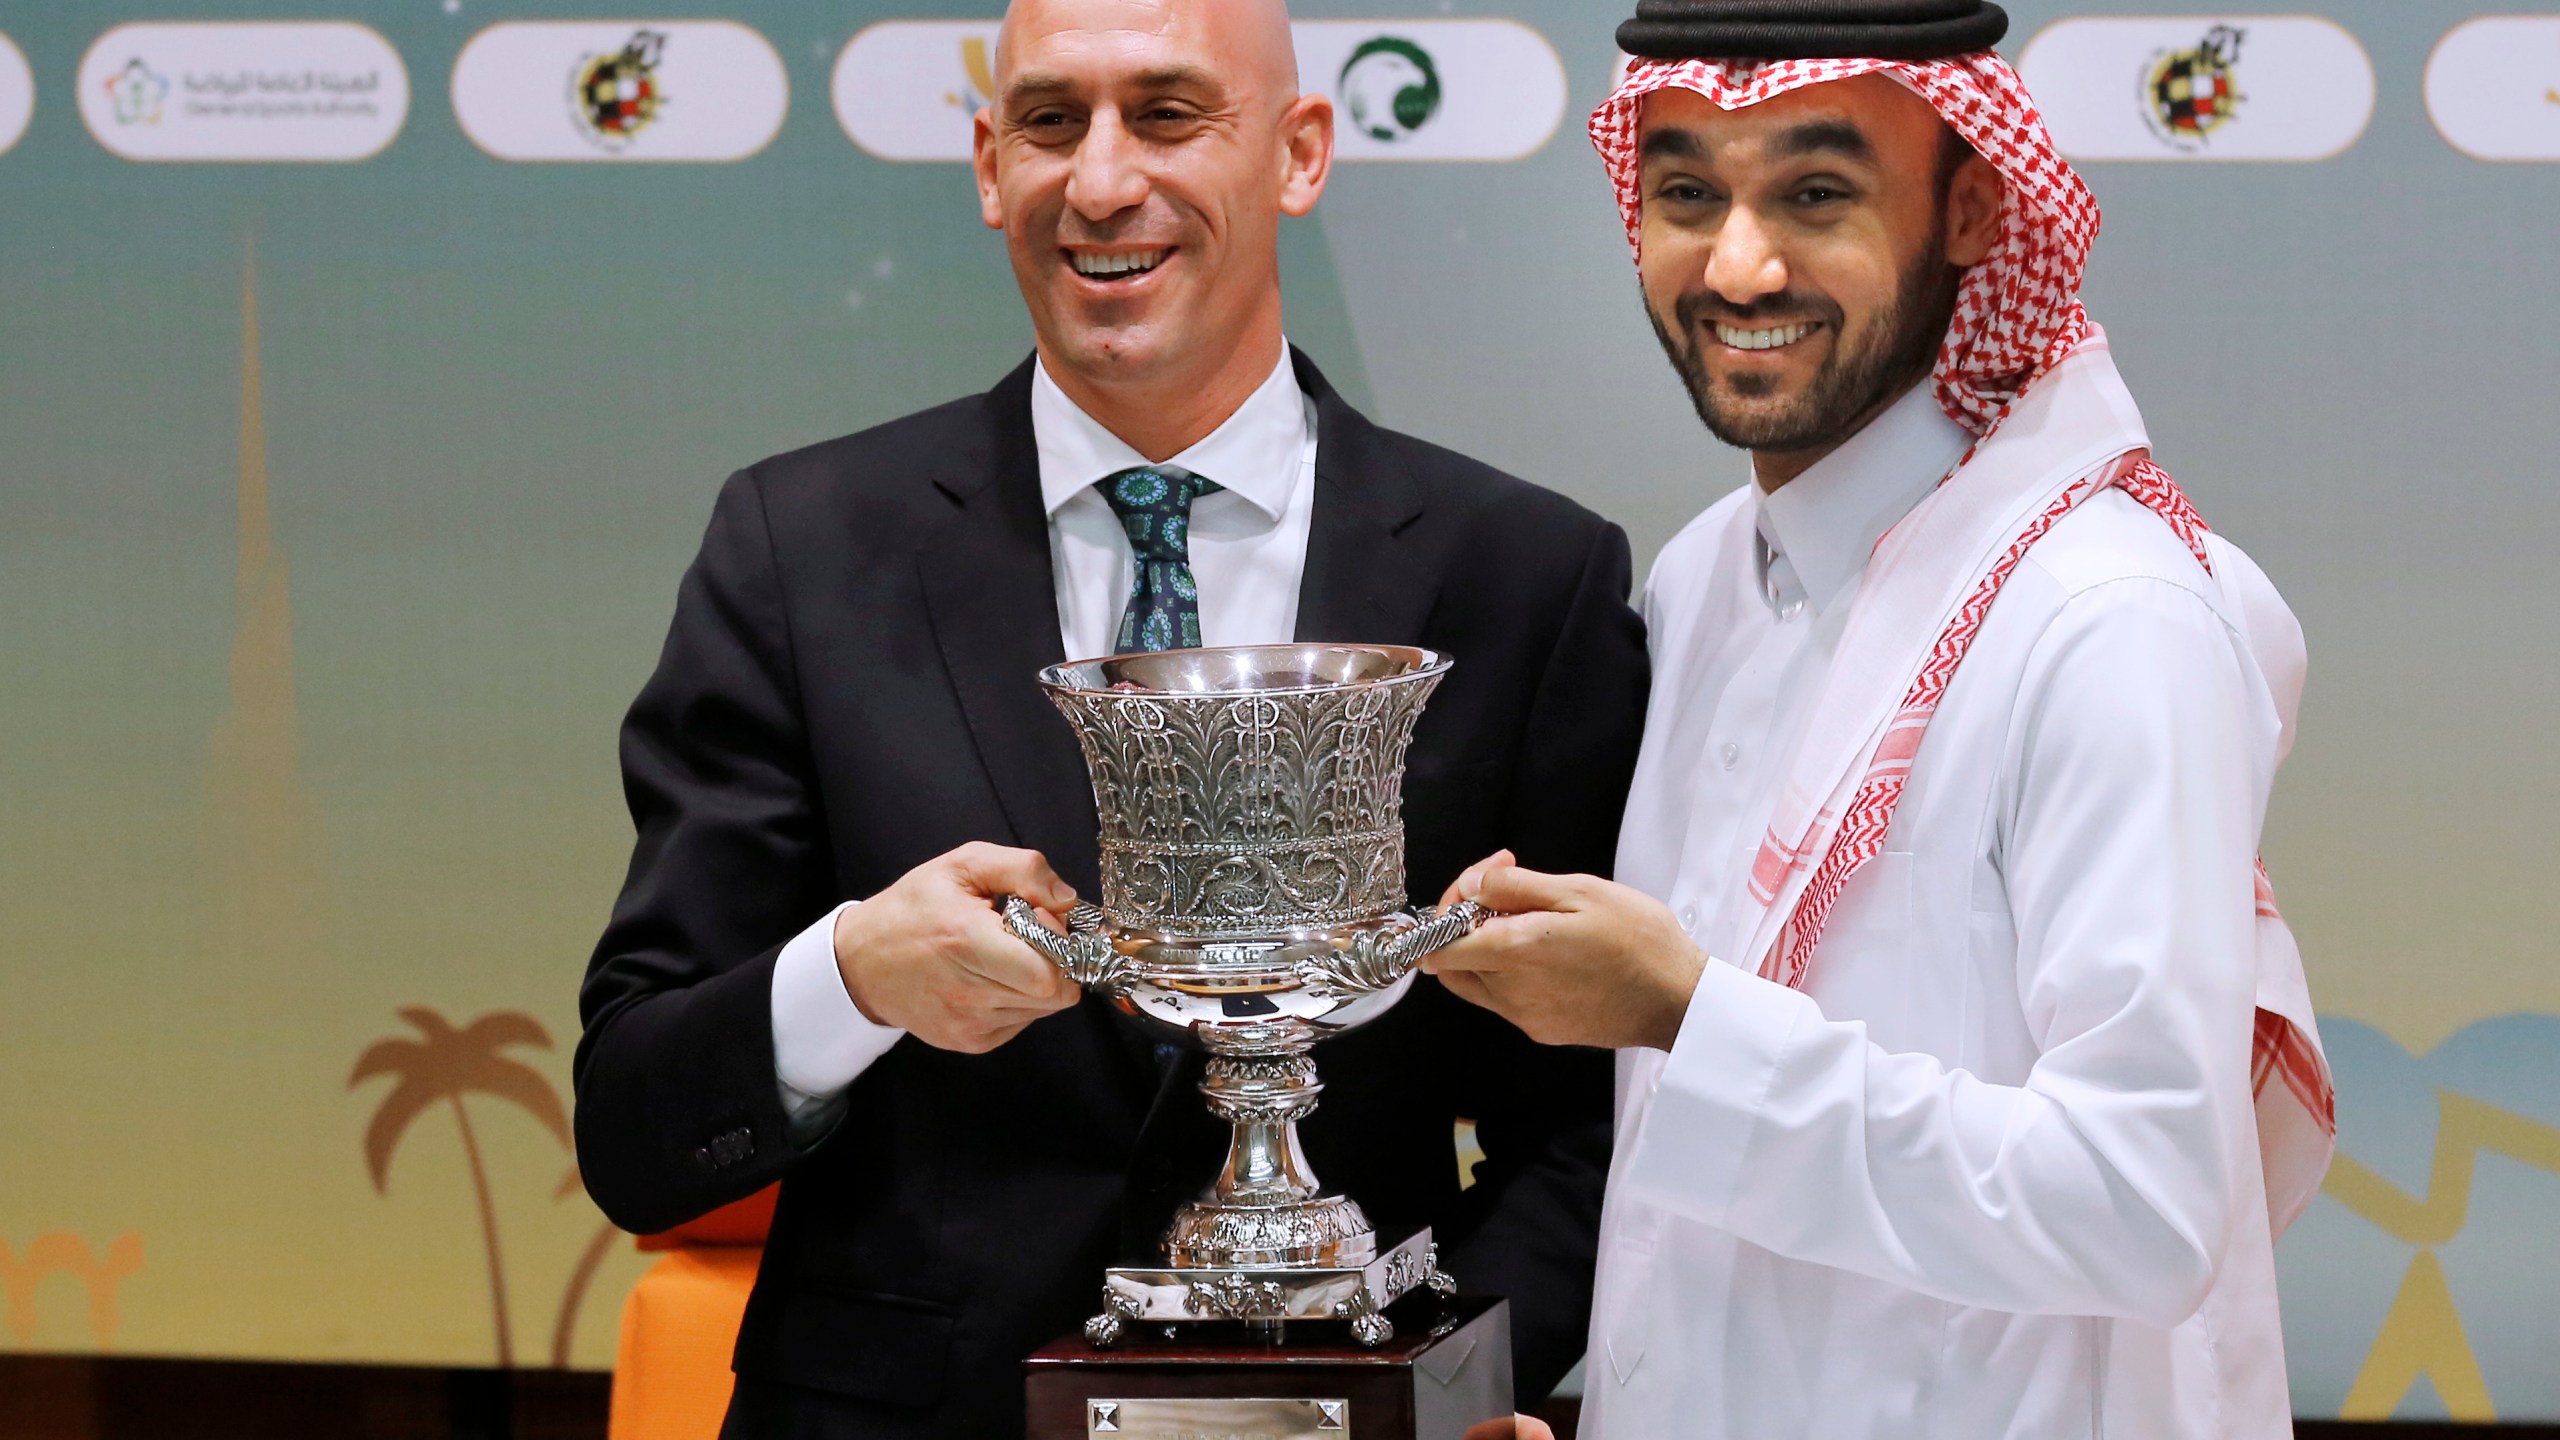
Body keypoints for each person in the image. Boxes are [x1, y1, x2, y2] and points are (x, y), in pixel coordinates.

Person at [570, 0, 1649, 1433]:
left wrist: (1458, 1378)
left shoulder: (1521, 575)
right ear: (985, 166)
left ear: (1301, 152)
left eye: (1167, 113)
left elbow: (1584, 1122)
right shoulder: (802, 547)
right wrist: (852, 978)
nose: (1099, 182)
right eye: (1048, 121)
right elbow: (637, 1123)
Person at [1425, 1, 2336, 1435]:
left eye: (1816, 192)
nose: (1738, 262)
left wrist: (1685, 1012)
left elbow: (2144, 1203)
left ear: (1977, 208)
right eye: (1686, 194)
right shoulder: (1706, 575)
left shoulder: (2105, 621)